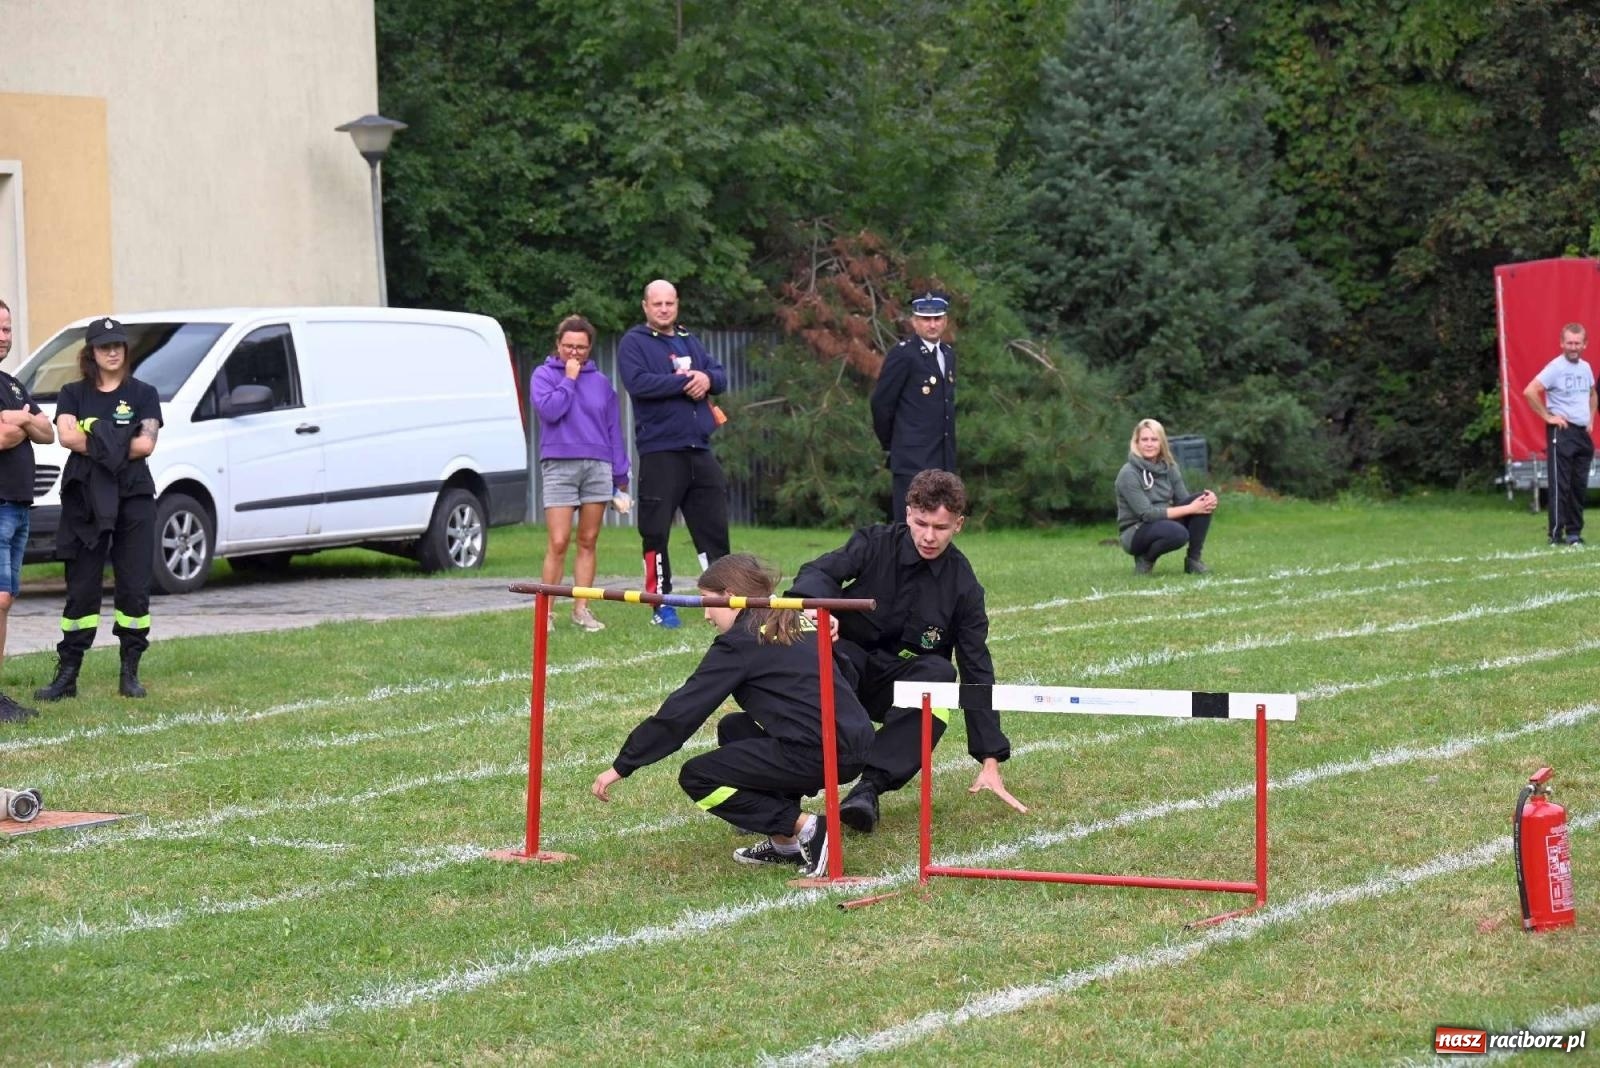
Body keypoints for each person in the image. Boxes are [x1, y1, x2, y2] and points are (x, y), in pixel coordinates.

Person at [590, 553, 873, 877]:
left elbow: (684, 710)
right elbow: (848, 678)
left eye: (708, 603)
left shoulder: (741, 641)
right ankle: (784, 845)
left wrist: (623, 765)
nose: (707, 615)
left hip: (821, 750)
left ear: (730, 597)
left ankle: (807, 827)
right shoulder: (797, 620)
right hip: (854, 742)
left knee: (698, 777)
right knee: (735, 728)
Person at [786, 469, 1024, 834]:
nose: (929, 536)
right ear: (908, 512)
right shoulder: (873, 542)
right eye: (921, 523)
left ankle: (868, 790)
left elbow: (977, 667)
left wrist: (990, 757)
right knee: (816, 661)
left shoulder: (964, 587)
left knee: (941, 677)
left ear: (959, 524)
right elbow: (817, 572)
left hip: (896, 686)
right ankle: (777, 785)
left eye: (941, 527)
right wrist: (819, 610)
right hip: (844, 666)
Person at [35, 316, 163, 701]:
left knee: (135, 587)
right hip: (85, 497)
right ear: (91, 351)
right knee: (81, 587)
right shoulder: (72, 393)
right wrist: (117, 434)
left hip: (134, 496)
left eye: (118, 345)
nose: (112, 351)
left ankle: (130, 670)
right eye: (104, 346)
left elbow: (146, 445)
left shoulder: (144, 393)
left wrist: (95, 429)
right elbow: (67, 436)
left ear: (126, 350)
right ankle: (68, 674)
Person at [617, 279, 731, 629]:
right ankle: (661, 603)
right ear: (645, 306)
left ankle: (724, 601)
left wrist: (706, 379)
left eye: (670, 303)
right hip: (660, 450)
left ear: (676, 304)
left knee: (714, 530)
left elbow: (721, 375)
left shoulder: (688, 339)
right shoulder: (633, 343)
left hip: (699, 449)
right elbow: (638, 383)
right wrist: (685, 381)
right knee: (655, 531)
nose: (664, 309)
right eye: (657, 304)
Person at [531, 314, 630, 631]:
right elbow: (550, 410)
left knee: (588, 540)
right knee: (558, 541)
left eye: (581, 347)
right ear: (558, 345)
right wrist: (569, 379)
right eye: (568, 346)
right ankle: (545, 612)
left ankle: (582, 609)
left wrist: (621, 474)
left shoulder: (601, 383)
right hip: (559, 464)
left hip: (598, 465)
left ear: (590, 348)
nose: (574, 353)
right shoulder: (544, 375)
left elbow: (613, 429)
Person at [0, 299, 54, 722]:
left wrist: (17, 416)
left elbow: (48, 432)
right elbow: (3, 439)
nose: (4, 336)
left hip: (19, 507)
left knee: (5, 601)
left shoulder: (11, 385)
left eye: (7, 328)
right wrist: (22, 423)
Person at [872, 291, 958, 521]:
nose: (932, 324)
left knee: (938, 526)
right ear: (914, 321)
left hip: (941, 458)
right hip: (912, 459)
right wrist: (896, 443)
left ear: (945, 320)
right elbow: (881, 405)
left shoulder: (947, 355)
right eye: (925, 319)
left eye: (937, 318)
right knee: (911, 526)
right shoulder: (903, 355)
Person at [1523, 322, 1597, 546]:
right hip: (1562, 432)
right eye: (1569, 342)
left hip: (1582, 434)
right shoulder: (1555, 367)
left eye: (1577, 343)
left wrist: (1591, 419)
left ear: (1585, 344)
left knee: (1578, 486)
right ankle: (1556, 535)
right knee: (1560, 485)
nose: (1573, 347)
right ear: (1562, 343)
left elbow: (1592, 394)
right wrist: (1548, 417)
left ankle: (1574, 534)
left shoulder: (1585, 368)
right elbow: (1530, 391)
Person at [1115, 418, 1218, 575]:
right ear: (1136, 443)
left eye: (1154, 439)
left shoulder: (1169, 467)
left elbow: (1183, 500)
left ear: (1161, 442)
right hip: (1135, 531)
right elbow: (1147, 514)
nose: (1149, 444)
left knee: (1203, 500)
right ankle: (1146, 559)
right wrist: (1191, 508)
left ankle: (1193, 561)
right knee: (1178, 533)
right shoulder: (1128, 473)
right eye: (1144, 439)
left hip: (1163, 522)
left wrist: (1206, 501)